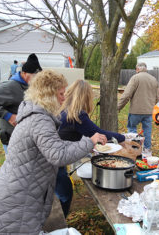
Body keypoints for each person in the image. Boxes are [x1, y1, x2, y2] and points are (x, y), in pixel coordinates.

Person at [0, 70, 107, 234]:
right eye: (61, 93)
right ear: (48, 95)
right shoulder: (39, 120)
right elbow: (58, 155)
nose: (64, 98)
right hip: (16, 203)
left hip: (18, 196)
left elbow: (53, 145)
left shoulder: (35, 114)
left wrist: (84, 145)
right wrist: (88, 141)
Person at [56, 79, 126, 217]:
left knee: (63, 191)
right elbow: (99, 133)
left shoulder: (65, 110)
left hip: (55, 158)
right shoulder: (77, 114)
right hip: (54, 163)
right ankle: (58, 225)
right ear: (86, 97)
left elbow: (67, 137)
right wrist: (124, 138)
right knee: (65, 194)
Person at [0, 53, 43, 154]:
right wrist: (8, 116)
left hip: (25, 136)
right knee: (14, 167)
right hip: (10, 135)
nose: (37, 79)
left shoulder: (30, 86)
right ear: (24, 73)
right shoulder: (10, 86)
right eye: (34, 76)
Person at [118, 62, 159, 154]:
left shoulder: (135, 78)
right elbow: (158, 98)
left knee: (132, 129)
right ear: (146, 69)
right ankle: (147, 151)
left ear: (137, 69)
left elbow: (126, 95)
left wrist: (118, 106)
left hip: (135, 111)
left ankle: (134, 150)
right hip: (149, 111)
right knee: (147, 131)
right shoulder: (153, 79)